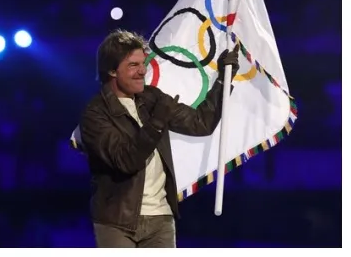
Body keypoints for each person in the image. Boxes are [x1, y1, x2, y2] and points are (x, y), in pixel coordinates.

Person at [80, 29, 240, 248]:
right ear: (112, 71)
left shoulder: (152, 97)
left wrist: (223, 79)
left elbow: (201, 123)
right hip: (116, 222)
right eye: (133, 65)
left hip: (161, 218)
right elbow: (126, 161)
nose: (142, 71)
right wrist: (156, 122)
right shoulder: (95, 114)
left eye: (143, 63)